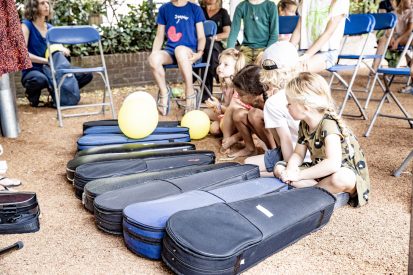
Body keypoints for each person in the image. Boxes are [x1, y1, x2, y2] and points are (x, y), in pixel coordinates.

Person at [274, 72, 370, 207]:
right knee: (279, 168)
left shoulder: (328, 124)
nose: (287, 107)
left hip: (343, 174)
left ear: (305, 107)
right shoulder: (304, 124)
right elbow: (298, 154)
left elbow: (332, 164)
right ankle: (322, 194)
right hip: (321, 173)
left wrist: (298, 176)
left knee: (341, 178)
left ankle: (315, 193)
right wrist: (291, 170)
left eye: (289, 103)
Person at [244, 41, 303, 176]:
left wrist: (289, 169)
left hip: (295, 156)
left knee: (247, 168)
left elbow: (285, 141)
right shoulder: (305, 88)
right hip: (313, 152)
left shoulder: (273, 102)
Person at [21, 0, 93, 107]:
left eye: (47, 3)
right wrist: (46, 61)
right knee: (39, 80)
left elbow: (58, 48)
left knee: (86, 75)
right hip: (34, 69)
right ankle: (32, 97)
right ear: (33, 7)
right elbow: (23, 54)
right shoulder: (26, 26)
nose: (46, 6)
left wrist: (64, 50)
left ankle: (59, 93)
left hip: (54, 69)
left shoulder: (51, 28)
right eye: (42, 3)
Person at [149, 0, 206, 115]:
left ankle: (190, 93)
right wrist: (154, 53)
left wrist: (199, 53)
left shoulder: (195, 9)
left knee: (179, 49)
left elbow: (201, 37)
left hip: (189, 52)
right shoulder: (164, 9)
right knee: (153, 58)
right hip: (170, 52)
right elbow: (159, 36)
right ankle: (164, 92)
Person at [227, 64, 276, 158]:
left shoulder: (270, 101)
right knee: (238, 114)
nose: (238, 97)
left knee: (254, 114)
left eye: (241, 94)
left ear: (253, 92)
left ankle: (274, 153)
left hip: (282, 142)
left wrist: (234, 138)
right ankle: (250, 149)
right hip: (271, 134)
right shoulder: (256, 100)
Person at [289, 0, 349, 73]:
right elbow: (298, 30)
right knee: (279, 67)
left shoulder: (340, 2)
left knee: (296, 70)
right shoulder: (306, 1)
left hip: (327, 53)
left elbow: (328, 33)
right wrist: (288, 51)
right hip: (303, 51)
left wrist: (307, 55)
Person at [204, 48, 246, 137]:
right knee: (205, 112)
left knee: (214, 129)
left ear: (236, 69)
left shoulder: (237, 89)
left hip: (238, 119)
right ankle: (223, 127)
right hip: (228, 115)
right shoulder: (225, 85)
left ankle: (236, 134)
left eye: (226, 65)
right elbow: (227, 107)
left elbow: (232, 111)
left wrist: (218, 105)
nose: (220, 67)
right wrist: (218, 107)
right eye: (220, 63)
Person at [373, 0, 413, 94]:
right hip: (396, 37)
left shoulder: (411, 12)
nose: (412, 2)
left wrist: (398, 41)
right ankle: (375, 67)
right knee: (383, 39)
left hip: (407, 37)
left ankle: (411, 74)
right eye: (410, 0)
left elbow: (409, 29)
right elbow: (390, 29)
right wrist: (391, 37)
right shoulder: (393, 13)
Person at [227, 0, 278, 64]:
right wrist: (229, 52)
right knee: (235, 65)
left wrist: (266, 52)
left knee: (263, 68)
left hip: (264, 49)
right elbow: (233, 32)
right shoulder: (241, 6)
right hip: (246, 49)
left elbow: (274, 35)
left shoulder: (271, 6)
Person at [198, 0, 231, 102]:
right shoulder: (198, 11)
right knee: (208, 52)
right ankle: (217, 73)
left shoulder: (223, 12)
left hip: (216, 45)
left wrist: (215, 37)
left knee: (210, 50)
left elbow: (227, 33)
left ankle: (206, 95)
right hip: (199, 47)